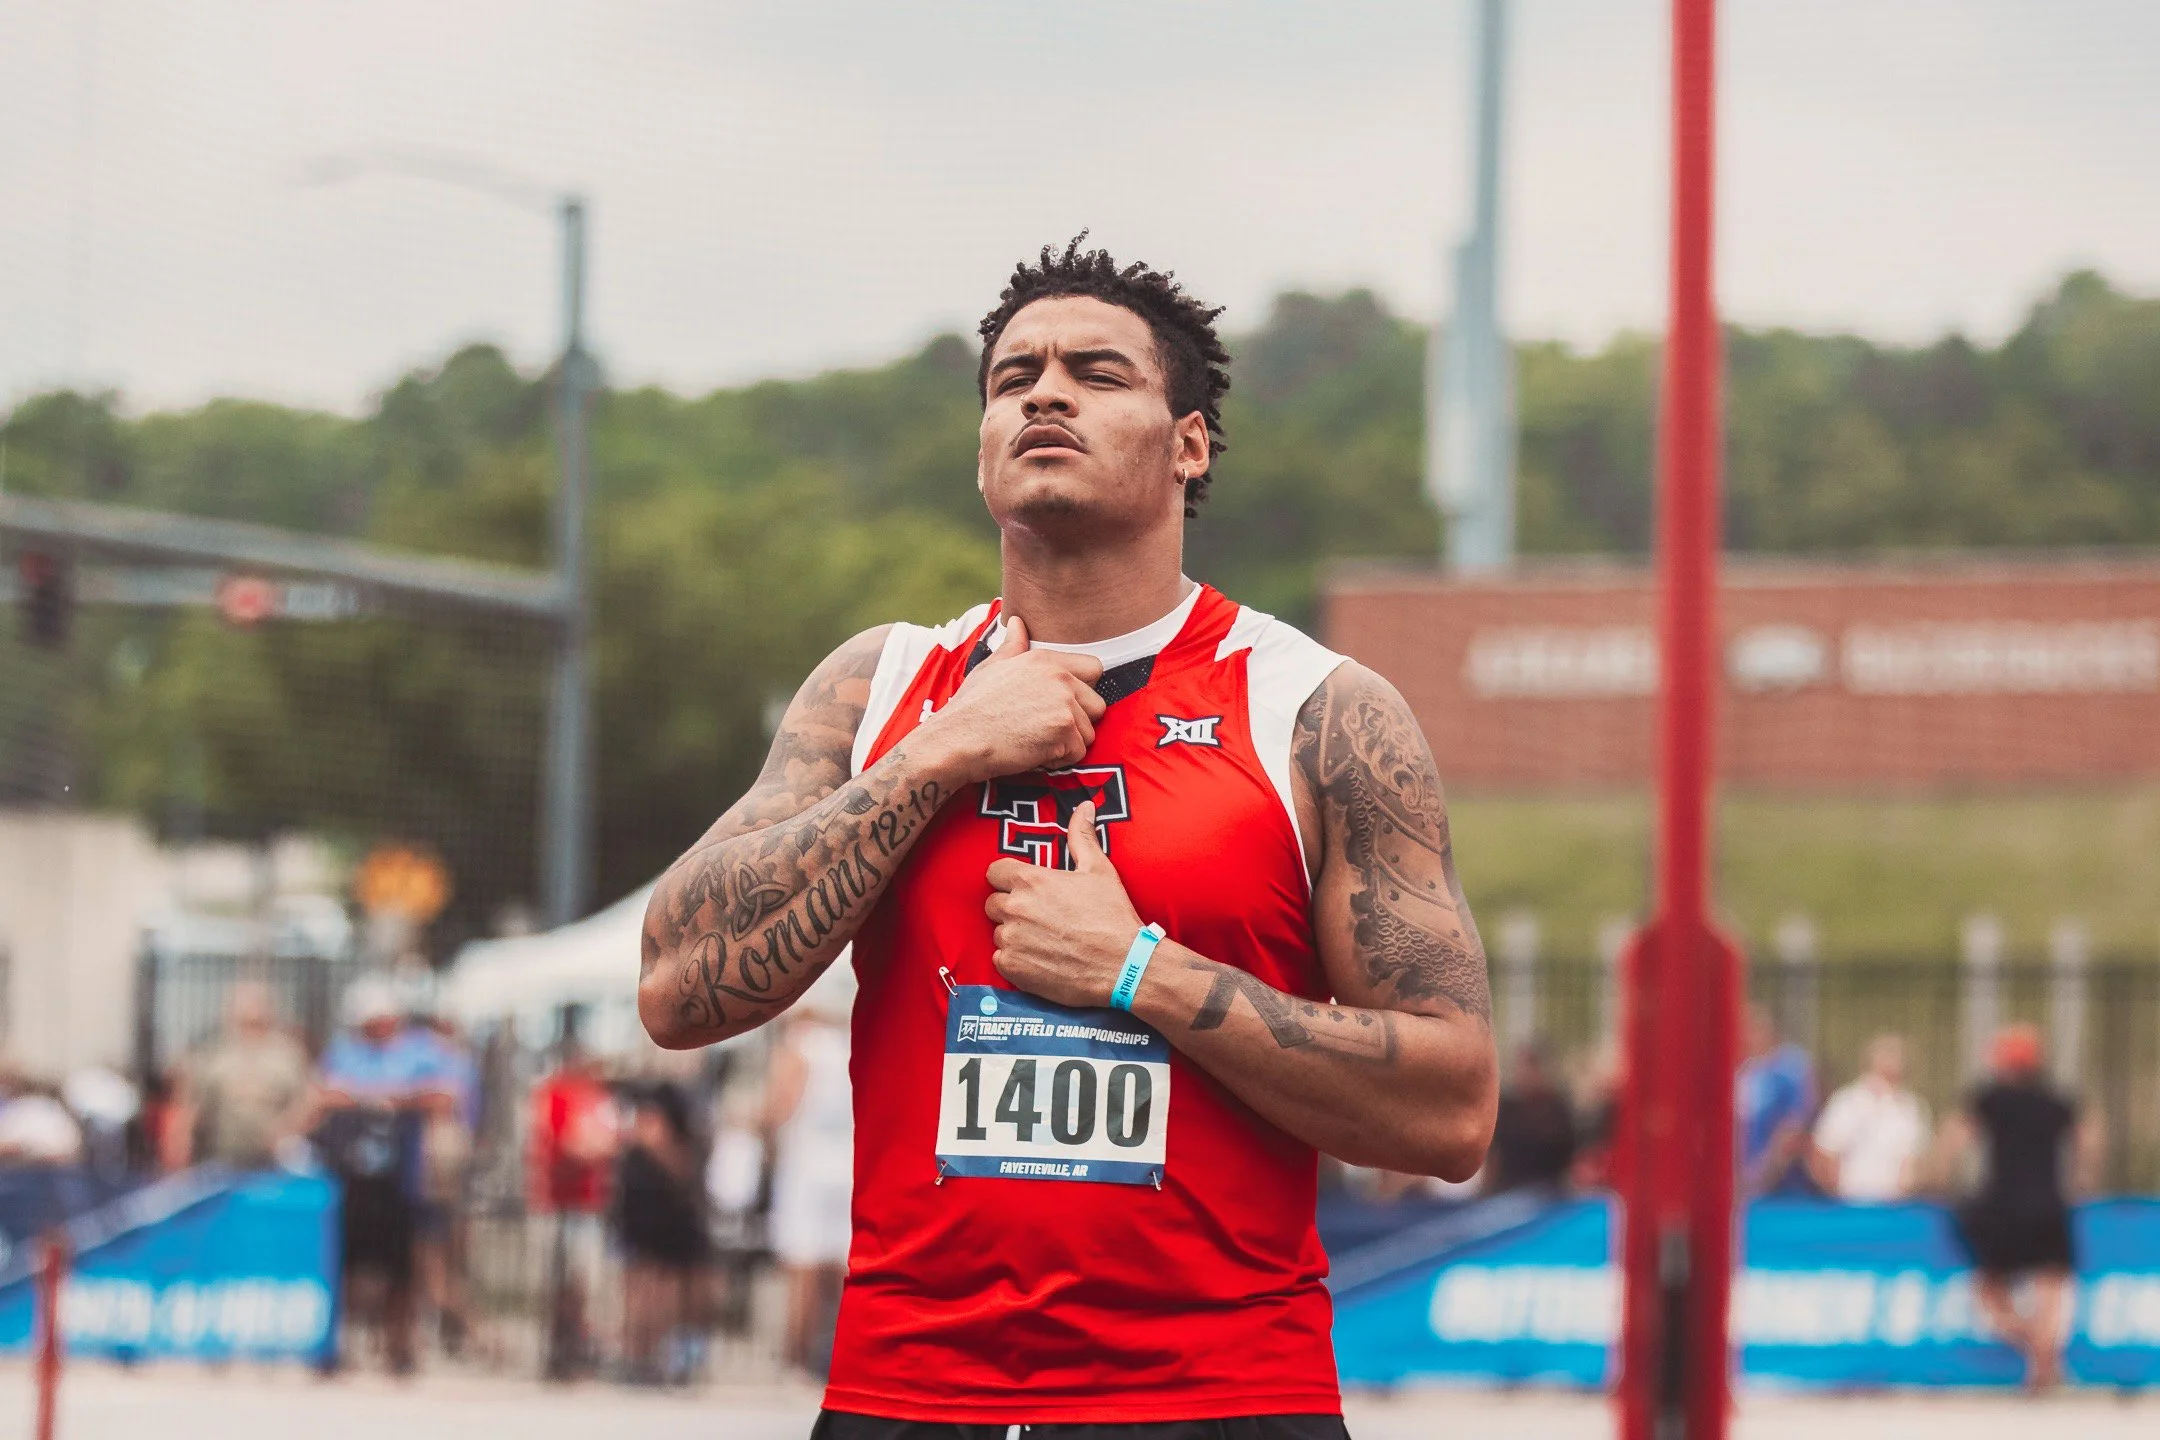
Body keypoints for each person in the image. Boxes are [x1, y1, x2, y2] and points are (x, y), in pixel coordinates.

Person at [640, 237, 1498, 1436]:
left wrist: (1139, 971)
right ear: (983, 446)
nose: (1043, 392)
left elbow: (1452, 1108)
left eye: (1097, 373)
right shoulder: (882, 689)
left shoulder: (1315, 709)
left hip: (1217, 1399)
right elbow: (678, 988)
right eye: (1011, 378)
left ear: (1188, 442)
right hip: (909, 1396)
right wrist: (935, 755)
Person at [1931, 1023, 2101, 1390]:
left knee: (1987, 1287)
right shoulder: (2058, 1099)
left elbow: (1954, 1139)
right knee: (2052, 1284)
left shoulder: (1990, 1097)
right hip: (2048, 1202)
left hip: (2001, 1203)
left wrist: (1936, 1177)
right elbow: (2089, 1139)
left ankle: (2032, 1347)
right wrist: (2083, 1178)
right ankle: (2044, 1357)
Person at [313, 976, 453, 1375]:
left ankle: (400, 1348)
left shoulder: (421, 1052)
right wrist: (369, 1096)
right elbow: (323, 1094)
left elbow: (445, 1097)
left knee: (401, 1271)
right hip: (351, 1179)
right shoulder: (344, 1052)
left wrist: (387, 1097)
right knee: (344, 1266)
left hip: (401, 1180)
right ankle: (336, 1348)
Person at [764, 971, 856, 1378]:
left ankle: (798, 1355)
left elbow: (781, 1106)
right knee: (841, 1263)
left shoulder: (799, 1047)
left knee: (801, 1260)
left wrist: (761, 1129)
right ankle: (840, 1351)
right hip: (847, 1158)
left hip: (807, 1157)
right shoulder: (847, 1044)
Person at [528, 1026, 618, 1380]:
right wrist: (591, 1146)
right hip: (557, 1199)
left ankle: (577, 1347)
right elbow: (566, 1142)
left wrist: (593, 1145)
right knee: (556, 1279)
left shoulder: (596, 1094)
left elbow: (608, 1139)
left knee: (583, 1280)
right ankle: (557, 1348)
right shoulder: (556, 1092)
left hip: (588, 1200)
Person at [612, 1082, 708, 1385]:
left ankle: (663, 1358)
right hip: (641, 1225)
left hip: (670, 1230)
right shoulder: (634, 1156)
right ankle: (637, 1357)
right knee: (640, 1292)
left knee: (667, 1294)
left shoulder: (682, 1151)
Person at [167, 980, 312, 1171]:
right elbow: (188, 1111)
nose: (253, 1011)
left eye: (258, 1004)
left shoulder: (289, 1054)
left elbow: (309, 1100)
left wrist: (286, 1130)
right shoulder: (213, 1053)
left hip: (276, 1162)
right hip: (222, 1159)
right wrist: (178, 1157)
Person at [1809, 1033, 1928, 1202]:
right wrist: (1833, 1192)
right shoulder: (1847, 1103)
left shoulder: (1912, 1108)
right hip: (1851, 1204)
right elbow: (1823, 1152)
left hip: (1896, 1208)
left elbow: (1916, 1160)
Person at [1736, 1004, 1817, 1198]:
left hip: (1781, 1190)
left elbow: (1793, 1129)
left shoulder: (1791, 1068)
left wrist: (1760, 1177)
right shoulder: (1739, 1069)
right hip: (1740, 1185)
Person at [1487, 1039, 1577, 1193]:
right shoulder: (1506, 1109)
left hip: (1549, 1195)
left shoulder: (1558, 1111)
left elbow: (1568, 1161)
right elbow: (1494, 1157)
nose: (1526, 1074)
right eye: (1522, 1067)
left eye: (1531, 1067)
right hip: (1508, 1193)